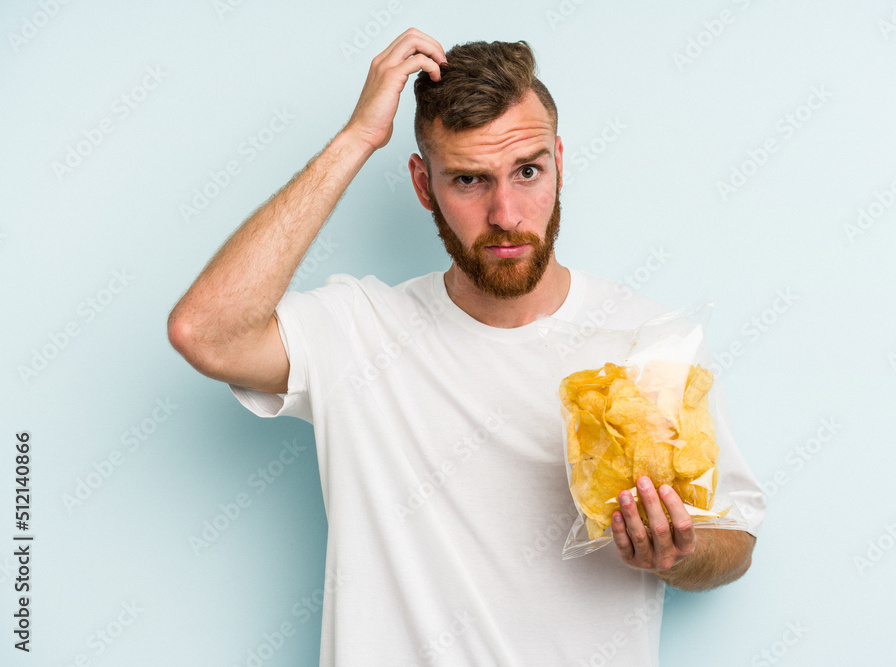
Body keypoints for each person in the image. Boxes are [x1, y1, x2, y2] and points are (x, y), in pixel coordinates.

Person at [168, 28, 765, 666]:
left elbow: (735, 538)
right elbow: (205, 333)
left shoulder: (647, 342)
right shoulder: (359, 331)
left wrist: (681, 551)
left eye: (528, 171)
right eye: (470, 181)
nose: (506, 213)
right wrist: (357, 139)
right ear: (424, 186)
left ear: (559, 161)